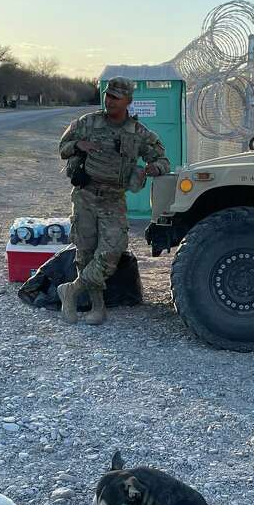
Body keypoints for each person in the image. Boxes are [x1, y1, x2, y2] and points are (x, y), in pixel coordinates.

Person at [55, 77, 170, 325]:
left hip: (113, 199)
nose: (110, 101)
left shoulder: (139, 133)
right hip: (85, 195)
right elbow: (62, 148)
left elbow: (163, 161)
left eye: (116, 98)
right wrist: (78, 145)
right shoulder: (88, 123)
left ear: (128, 101)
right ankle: (98, 307)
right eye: (108, 96)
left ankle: (71, 290)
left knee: (111, 251)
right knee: (85, 252)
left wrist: (149, 170)